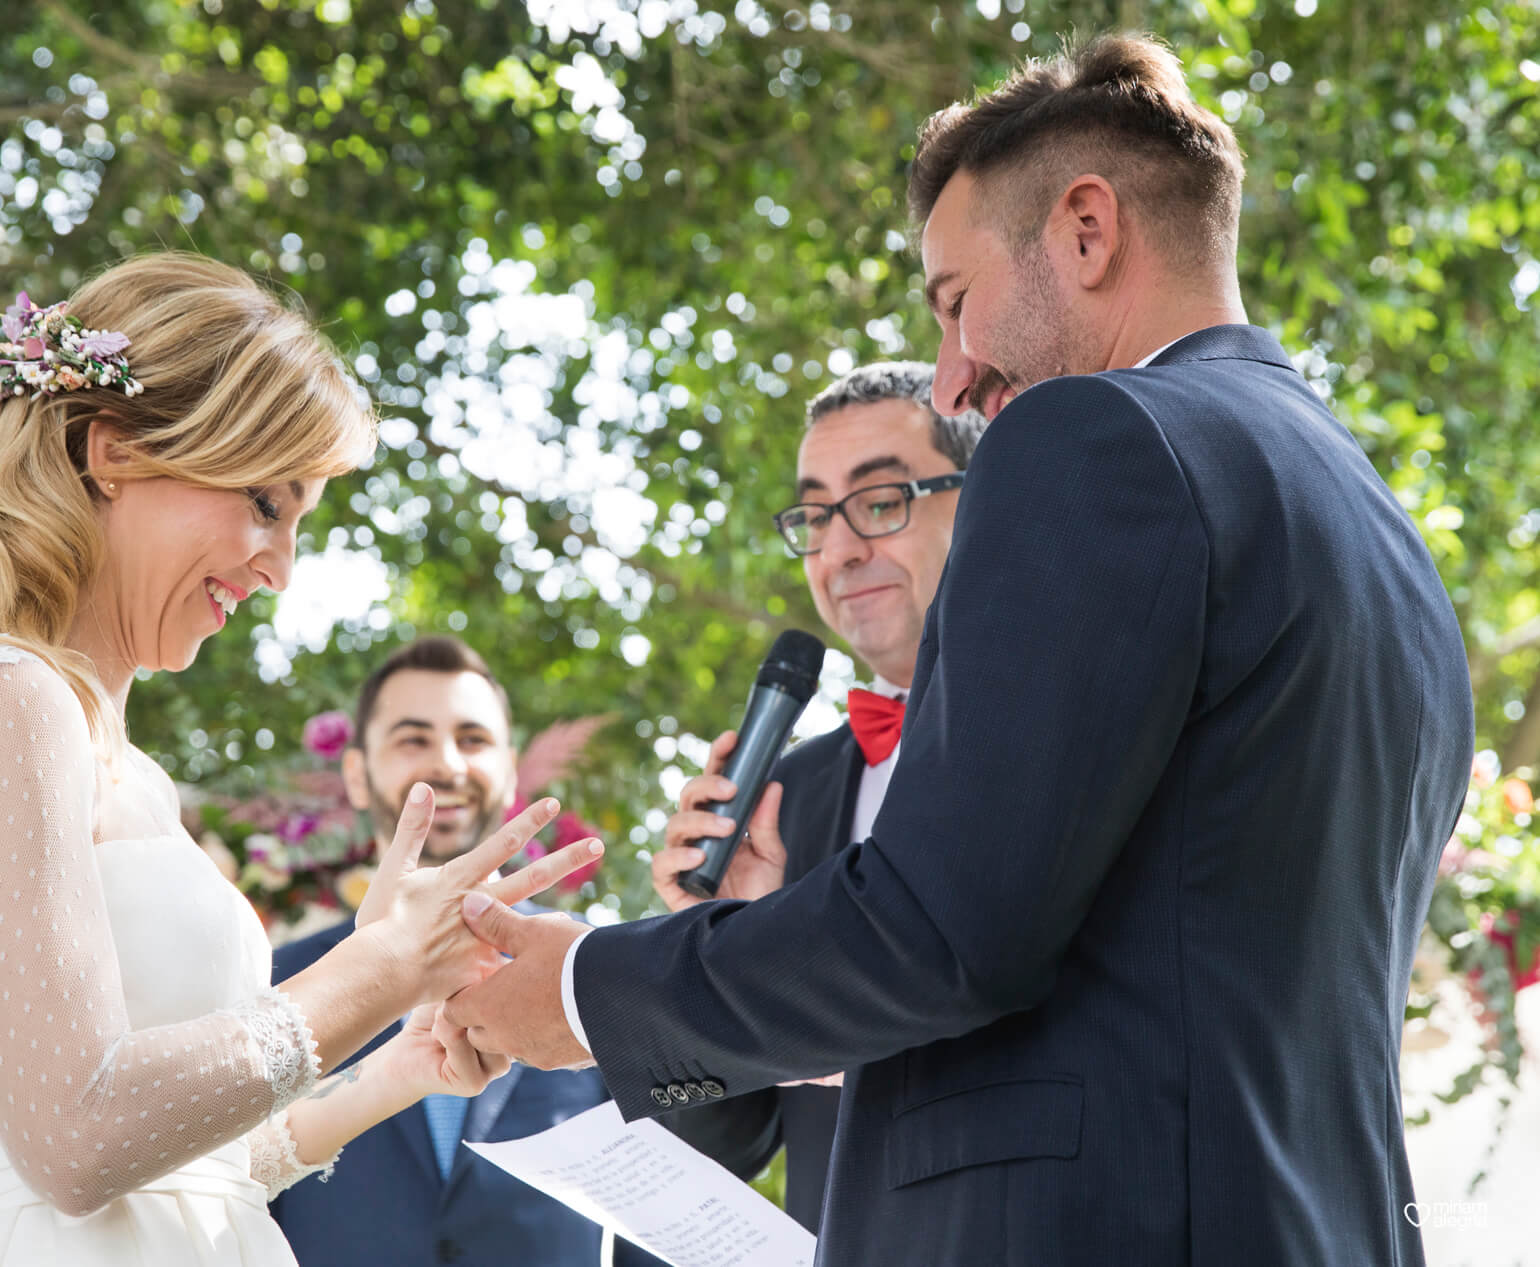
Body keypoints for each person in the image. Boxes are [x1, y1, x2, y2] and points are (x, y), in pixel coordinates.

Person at [446, 34, 1473, 1266]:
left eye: (952, 300)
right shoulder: (1380, 530)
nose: (956, 369)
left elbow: (942, 933)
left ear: (1084, 230)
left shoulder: (1091, 435)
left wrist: (576, 990)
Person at [0, 253, 599, 1267]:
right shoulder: (1, 699)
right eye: (266, 505)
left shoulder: (123, 769)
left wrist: (397, 1065)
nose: (279, 569)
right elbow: (76, 1135)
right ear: (116, 452)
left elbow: (197, 1174)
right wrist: (373, 968)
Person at [652, 362, 985, 1233]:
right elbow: (722, 1140)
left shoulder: (1066, 741)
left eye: (880, 503)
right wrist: (708, 948)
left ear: (984, 501)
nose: (839, 551)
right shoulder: (785, 796)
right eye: (814, 518)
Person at [271, 636, 664, 1266]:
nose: (448, 765)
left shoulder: (595, 967)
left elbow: (652, 1213)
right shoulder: (278, 980)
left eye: (473, 739)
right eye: (413, 739)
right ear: (357, 773)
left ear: (509, 769)